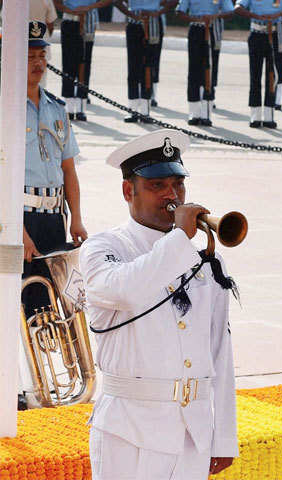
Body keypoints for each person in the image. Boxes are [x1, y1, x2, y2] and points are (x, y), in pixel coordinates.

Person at [79, 129, 238, 480]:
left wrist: (224, 435)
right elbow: (128, 290)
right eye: (157, 186)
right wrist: (180, 238)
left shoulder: (204, 260)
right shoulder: (105, 248)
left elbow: (220, 350)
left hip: (191, 434)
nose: (172, 195)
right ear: (127, 191)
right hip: (129, 431)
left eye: (178, 184)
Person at [20, 21, 88, 410]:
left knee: (60, 305)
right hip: (20, 217)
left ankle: (63, 383)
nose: (38, 63)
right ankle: (22, 384)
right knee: (22, 303)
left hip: (54, 218)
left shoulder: (57, 109)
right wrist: (17, 230)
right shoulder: (4, 108)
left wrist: (76, 218)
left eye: (42, 55)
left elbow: (69, 171)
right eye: (29, 56)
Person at [234, 0, 282, 128]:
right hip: (257, 32)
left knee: (272, 76)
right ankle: (255, 115)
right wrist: (256, 16)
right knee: (255, 75)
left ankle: (269, 115)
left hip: (275, 34)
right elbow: (237, 8)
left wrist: (280, 14)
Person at [113, 0, 178, 123]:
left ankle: (145, 110)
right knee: (133, 66)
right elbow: (116, 1)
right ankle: (132, 109)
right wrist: (130, 14)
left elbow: (174, 1)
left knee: (149, 66)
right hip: (134, 21)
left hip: (152, 22)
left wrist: (158, 12)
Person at [177, 0, 234, 126]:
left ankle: (206, 112)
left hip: (213, 29)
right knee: (194, 71)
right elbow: (179, 12)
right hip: (196, 29)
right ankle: (193, 112)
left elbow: (230, 12)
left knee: (210, 69)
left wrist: (216, 16)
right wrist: (195, 19)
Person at [54, 0, 112, 121]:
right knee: (68, 64)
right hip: (70, 19)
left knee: (84, 65)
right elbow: (56, 3)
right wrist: (72, 10)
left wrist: (89, 7)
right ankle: (69, 107)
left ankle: (81, 108)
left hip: (88, 21)